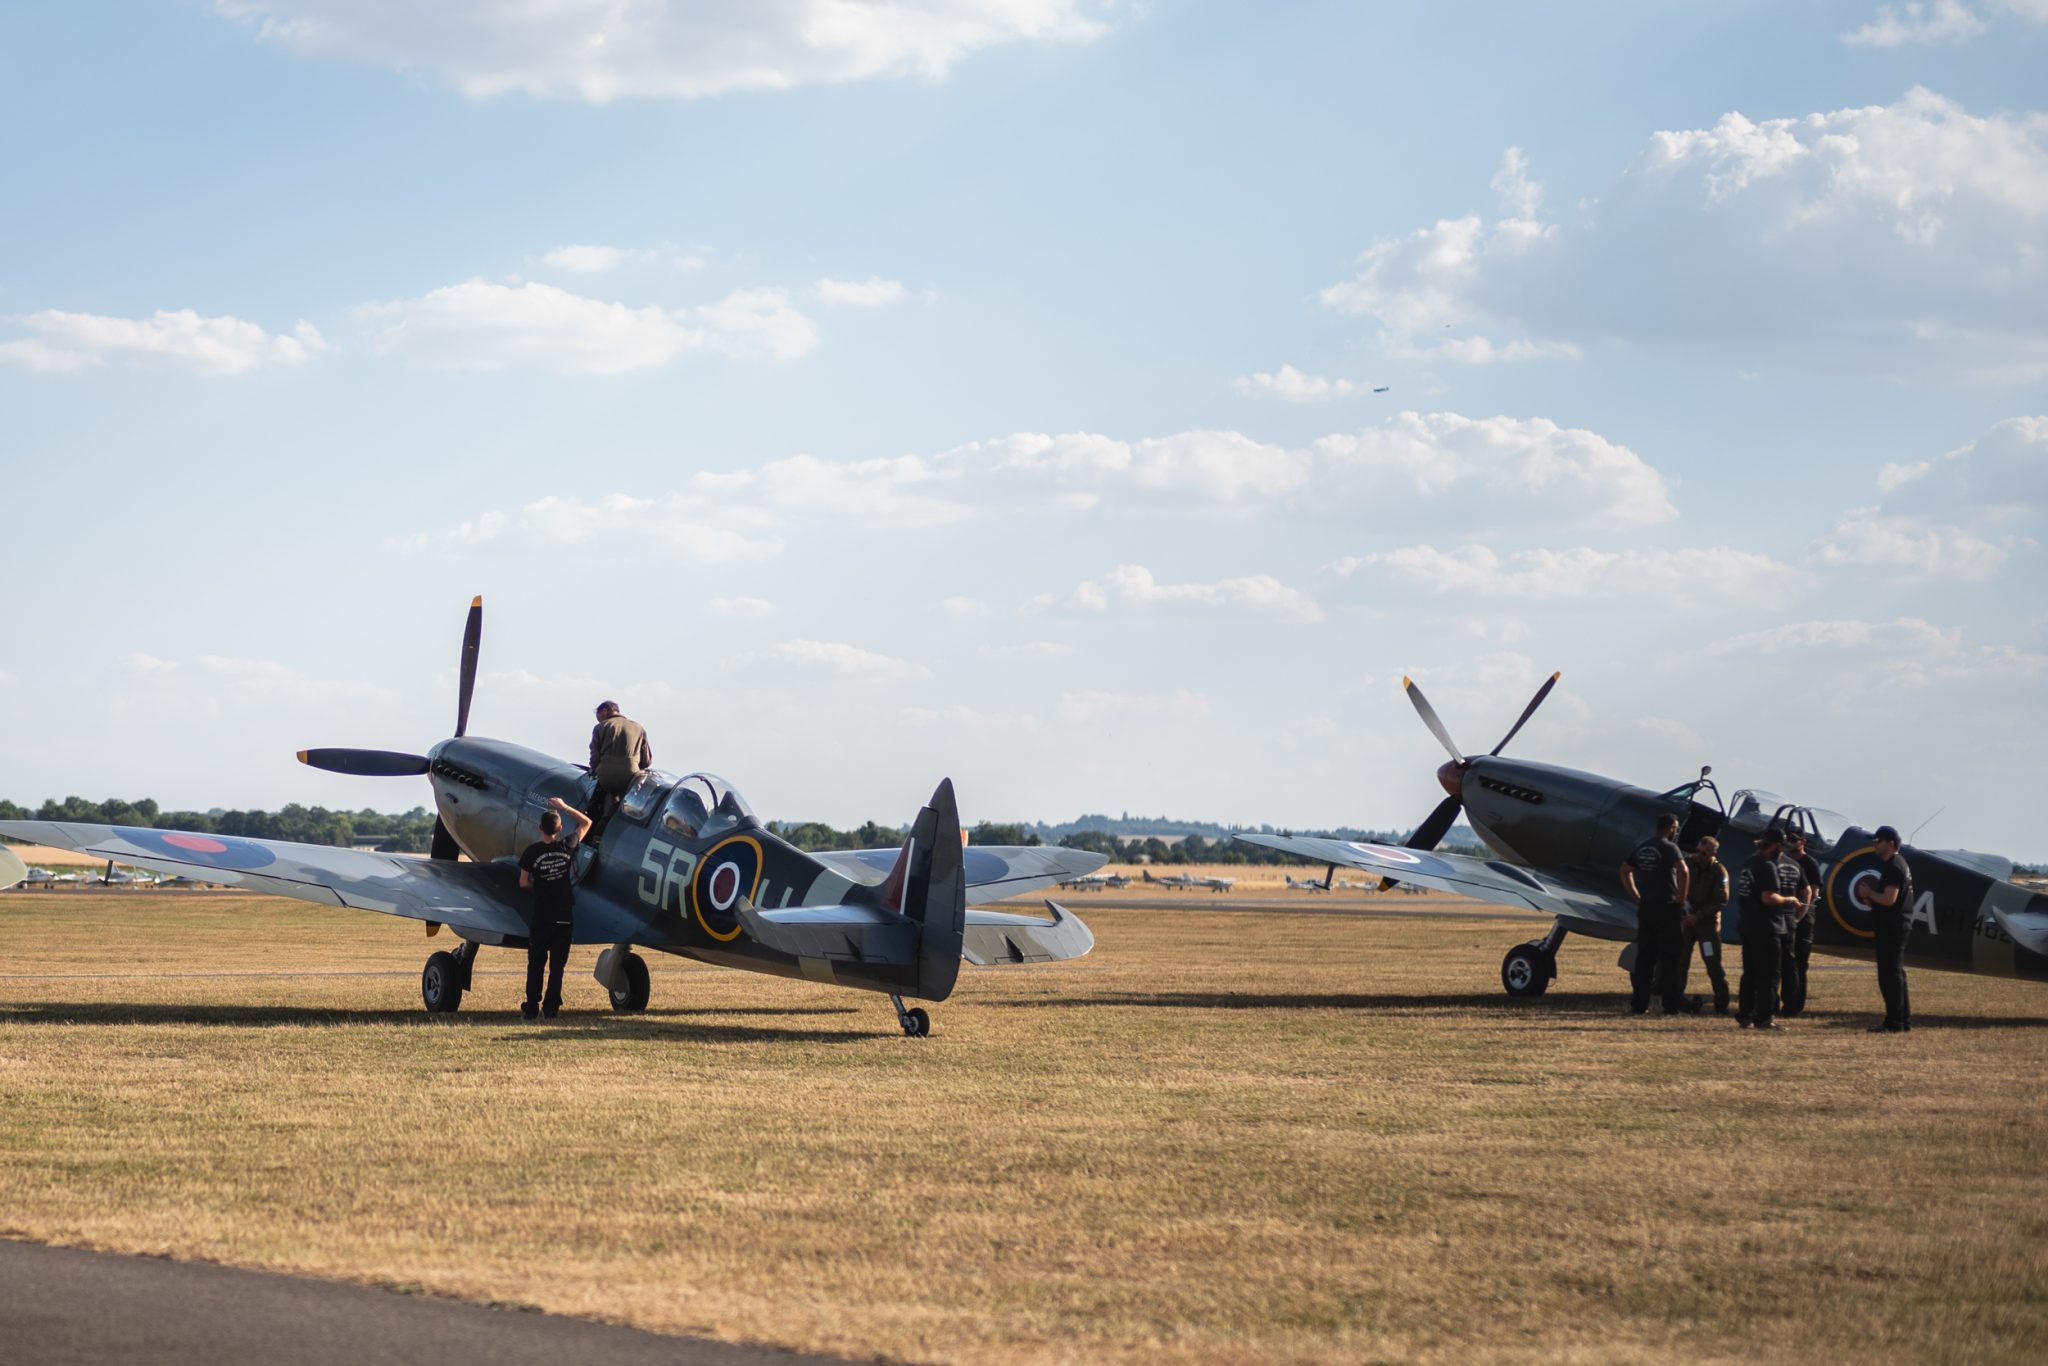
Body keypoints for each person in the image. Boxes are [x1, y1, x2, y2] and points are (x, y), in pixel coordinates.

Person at [518, 797, 591, 1020]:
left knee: (536, 963)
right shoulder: (567, 845)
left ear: (540, 828)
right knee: (557, 966)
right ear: (559, 829)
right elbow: (586, 823)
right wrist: (564, 807)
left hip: (542, 915)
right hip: (564, 915)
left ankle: (531, 1006)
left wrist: (539, 884)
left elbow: (523, 883)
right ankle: (551, 1008)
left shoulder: (531, 853)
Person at [1620, 812, 1693, 1015]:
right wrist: (1681, 898)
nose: (1676, 831)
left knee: (1645, 959)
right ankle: (1670, 1005)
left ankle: (1639, 1005)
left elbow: (1624, 871)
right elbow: (1684, 870)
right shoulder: (1670, 847)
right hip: (1667, 908)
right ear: (1671, 828)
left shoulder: (1643, 847)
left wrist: (1636, 896)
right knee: (1671, 958)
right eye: (1676, 828)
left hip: (1646, 908)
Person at [1736, 825, 1803, 1031]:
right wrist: (1790, 899)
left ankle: (1745, 1015)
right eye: (1781, 846)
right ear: (1774, 845)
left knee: (1750, 973)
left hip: (1748, 924)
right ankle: (1765, 1018)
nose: (1782, 851)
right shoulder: (1767, 866)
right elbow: (1769, 897)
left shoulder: (1749, 863)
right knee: (1769, 974)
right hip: (1767, 926)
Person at [1864, 824, 1914, 1033]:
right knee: (1896, 973)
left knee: (1889, 975)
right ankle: (1902, 1020)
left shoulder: (1894, 865)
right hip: (1896, 925)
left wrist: (1869, 893)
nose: (1874, 844)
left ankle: (1893, 1022)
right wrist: (1871, 898)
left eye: (1878, 841)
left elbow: (1889, 899)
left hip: (1892, 927)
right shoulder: (1898, 863)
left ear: (1890, 844)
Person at [585, 700, 653, 840]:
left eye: (598, 716)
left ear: (605, 711)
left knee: (595, 806)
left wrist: (594, 770)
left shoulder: (601, 727)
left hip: (606, 777)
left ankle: (591, 836)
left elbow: (594, 757)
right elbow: (647, 761)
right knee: (617, 809)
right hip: (630, 778)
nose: (599, 720)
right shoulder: (639, 728)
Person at [1682, 835, 1731, 1015]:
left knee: (1713, 965)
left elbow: (1721, 900)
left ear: (1713, 853)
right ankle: (1676, 1000)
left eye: (1704, 853)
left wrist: (1698, 916)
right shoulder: (1686, 864)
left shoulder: (1719, 871)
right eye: (1698, 852)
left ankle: (1721, 1005)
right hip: (1687, 921)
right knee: (1681, 962)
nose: (1700, 856)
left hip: (1707, 926)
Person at [1780, 830, 1823, 1018]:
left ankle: (1796, 1005)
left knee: (1799, 963)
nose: (1790, 843)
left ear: (1803, 842)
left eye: (1794, 840)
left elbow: (1812, 894)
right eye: (1787, 839)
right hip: (1787, 915)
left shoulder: (1810, 863)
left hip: (1803, 917)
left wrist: (1798, 917)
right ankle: (1783, 1001)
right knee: (1784, 962)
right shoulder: (1784, 861)